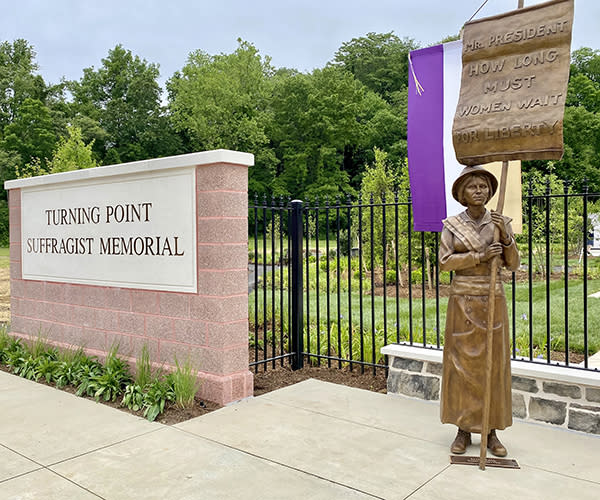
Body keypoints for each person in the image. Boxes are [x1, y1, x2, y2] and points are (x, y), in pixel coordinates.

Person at [439, 165, 519, 457]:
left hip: (492, 298)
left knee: (492, 365)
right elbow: (445, 262)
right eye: (473, 186)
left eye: (483, 186)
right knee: (462, 367)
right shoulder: (452, 225)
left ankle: (491, 430)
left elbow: (513, 264)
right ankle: (462, 429)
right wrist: (478, 256)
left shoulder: (500, 222)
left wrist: (506, 239)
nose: (479, 191)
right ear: (462, 192)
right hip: (462, 300)